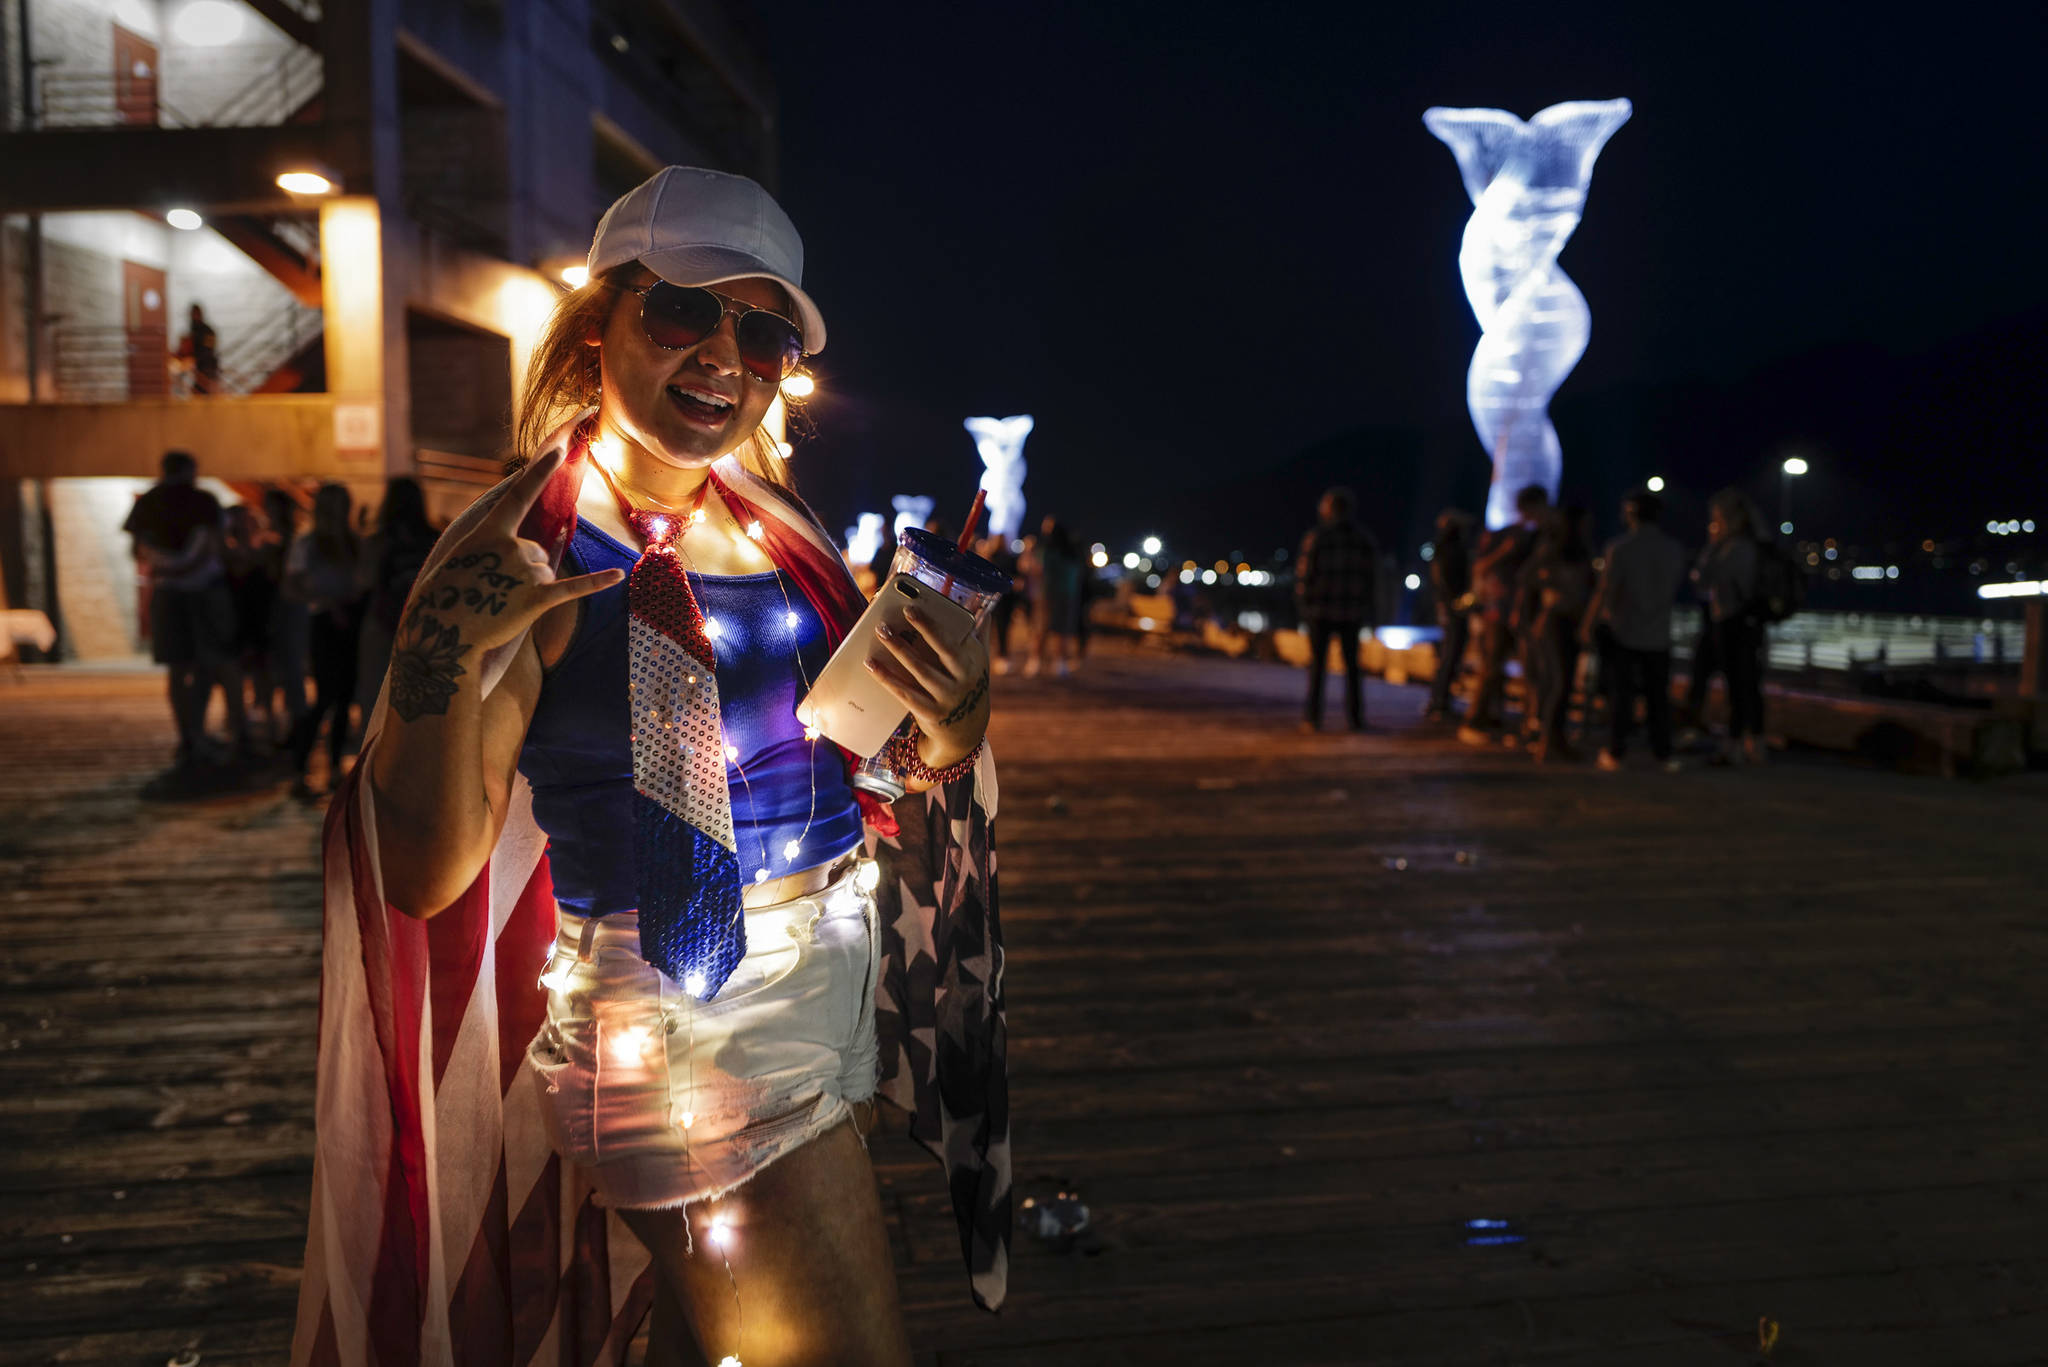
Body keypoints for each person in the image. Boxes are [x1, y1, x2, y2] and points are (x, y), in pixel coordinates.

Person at [291, 167, 1009, 1366]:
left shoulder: (778, 527)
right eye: (683, 309)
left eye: (763, 335)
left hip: (826, 989)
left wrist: (954, 708)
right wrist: (435, 657)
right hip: (683, 1029)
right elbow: (421, 872)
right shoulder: (527, 548)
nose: (724, 353)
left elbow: (874, 767)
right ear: (598, 325)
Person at [122, 450, 246, 773]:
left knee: (177, 669)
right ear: (191, 470)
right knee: (209, 664)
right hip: (205, 591)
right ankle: (204, 733)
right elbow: (219, 545)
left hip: (168, 592)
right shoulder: (204, 501)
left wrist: (166, 563)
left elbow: (137, 550)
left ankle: (187, 737)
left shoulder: (148, 502)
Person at [1585, 488, 1688, 770]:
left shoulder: (1620, 548)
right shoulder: (1673, 549)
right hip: (1659, 632)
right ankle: (1663, 752)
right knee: (1658, 695)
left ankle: (1616, 751)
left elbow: (1606, 590)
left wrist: (1589, 624)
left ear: (1631, 514)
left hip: (1624, 630)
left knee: (1622, 695)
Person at [282, 483, 362, 798]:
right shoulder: (309, 543)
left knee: (344, 698)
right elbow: (292, 587)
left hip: (351, 619)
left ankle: (334, 768)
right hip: (325, 621)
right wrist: (326, 602)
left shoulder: (354, 541)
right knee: (326, 696)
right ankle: (300, 767)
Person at [1459, 483, 1548, 745]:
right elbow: (1481, 567)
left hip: (1526, 611)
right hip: (1500, 611)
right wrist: (1505, 551)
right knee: (1492, 665)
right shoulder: (1506, 536)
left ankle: (1524, 722)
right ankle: (1477, 720)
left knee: (1530, 669)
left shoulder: (1539, 537)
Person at [1295, 486, 1377, 733]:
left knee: (1317, 667)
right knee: (1352, 667)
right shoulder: (1362, 539)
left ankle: (1312, 718)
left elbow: (1305, 576)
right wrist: (1369, 609)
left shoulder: (1317, 538)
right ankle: (1355, 718)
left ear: (1328, 510)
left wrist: (1304, 606)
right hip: (1351, 613)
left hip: (1320, 612)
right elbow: (1371, 579)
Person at [353, 476, 440, 709]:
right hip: (423, 625)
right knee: (418, 697)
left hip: (381, 623)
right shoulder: (434, 538)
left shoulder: (377, 540)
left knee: (375, 694)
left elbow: (363, 581)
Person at [1516, 504, 1595, 761]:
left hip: (1571, 619)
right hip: (1554, 619)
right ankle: (1547, 740)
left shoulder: (1579, 552)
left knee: (1563, 681)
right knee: (1558, 681)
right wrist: (1551, 585)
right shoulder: (1553, 550)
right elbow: (1527, 576)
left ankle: (1552, 738)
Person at [1699, 487, 1768, 765]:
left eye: (1717, 518)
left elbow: (1704, 580)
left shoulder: (1733, 549)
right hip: (1750, 622)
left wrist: (1711, 546)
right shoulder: (1756, 545)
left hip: (1732, 620)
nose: (1714, 524)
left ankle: (1735, 744)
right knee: (1749, 684)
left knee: (1737, 685)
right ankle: (1754, 743)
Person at [221, 502, 277, 746]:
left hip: (258, 618)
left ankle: (268, 721)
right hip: (235, 619)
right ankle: (239, 726)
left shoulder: (264, 551)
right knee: (235, 674)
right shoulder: (226, 555)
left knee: (261, 672)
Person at [260, 488, 309, 741]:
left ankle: (297, 723)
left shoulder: (287, 541)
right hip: (283, 608)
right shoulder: (288, 539)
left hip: (287, 607)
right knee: (286, 668)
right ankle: (292, 721)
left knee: (290, 668)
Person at [1424, 508, 1474, 721]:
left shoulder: (1442, 549)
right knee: (1451, 654)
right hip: (1453, 608)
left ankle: (1440, 701)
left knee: (1449, 655)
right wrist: (1455, 602)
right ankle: (1440, 703)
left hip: (1448, 606)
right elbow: (1447, 581)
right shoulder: (1450, 550)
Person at [1022, 514, 1082, 677]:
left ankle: (1035, 661)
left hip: (1047, 593)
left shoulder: (1046, 549)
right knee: (1061, 629)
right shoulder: (1073, 551)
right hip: (1067, 594)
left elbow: (1037, 570)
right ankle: (1059, 662)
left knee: (1041, 628)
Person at [175, 303, 221, 396]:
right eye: (192, 314)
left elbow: (209, 350)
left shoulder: (208, 331)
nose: (194, 317)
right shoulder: (193, 331)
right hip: (197, 368)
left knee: (205, 391)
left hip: (207, 367)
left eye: (195, 314)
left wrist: (194, 358)